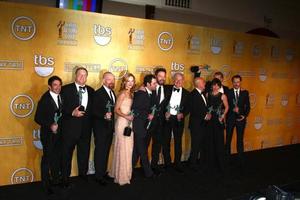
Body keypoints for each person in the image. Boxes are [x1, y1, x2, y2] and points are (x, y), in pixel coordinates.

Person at [61, 67, 94, 186]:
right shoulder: (65, 89)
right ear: (75, 75)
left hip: (85, 129)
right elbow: (60, 108)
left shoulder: (91, 90)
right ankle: (64, 178)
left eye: (85, 75)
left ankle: (83, 174)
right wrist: (71, 113)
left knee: (84, 153)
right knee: (66, 154)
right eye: (80, 75)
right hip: (69, 129)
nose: (82, 77)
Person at [34, 76, 63, 195]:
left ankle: (55, 179)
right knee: (47, 159)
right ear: (49, 86)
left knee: (56, 157)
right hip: (47, 134)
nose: (58, 87)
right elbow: (37, 118)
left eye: (59, 85)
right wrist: (50, 125)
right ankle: (45, 184)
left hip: (58, 134)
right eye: (55, 85)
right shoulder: (44, 99)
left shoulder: (61, 96)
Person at [109, 73, 136, 185]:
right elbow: (116, 110)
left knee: (128, 149)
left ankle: (122, 173)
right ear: (124, 82)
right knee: (123, 149)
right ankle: (121, 176)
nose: (130, 83)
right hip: (122, 123)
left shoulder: (132, 94)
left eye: (132, 81)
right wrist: (126, 116)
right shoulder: (123, 93)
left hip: (129, 124)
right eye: (128, 81)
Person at [93, 72, 116, 186]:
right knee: (100, 151)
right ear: (103, 80)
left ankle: (102, 173)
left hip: (110, 128)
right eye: (108, 79)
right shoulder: (98, 93)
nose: (111, 81)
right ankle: (98, 176)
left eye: (113, 79)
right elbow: (93, 111)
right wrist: (103, 115)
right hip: (101, 129)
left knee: (106, 151)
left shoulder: (113, 93)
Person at [132, 74, 157, 178]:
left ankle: (128, 170)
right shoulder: (141, 93)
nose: (156, 85)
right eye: (154, 83)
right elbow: (134, 110)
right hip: (139, 126)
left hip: (145, 127)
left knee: (137, 151)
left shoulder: (151, 93)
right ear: (148, 84)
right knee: (143, 151)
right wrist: (147, 115)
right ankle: (149, 173)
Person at [163, 73, 189, 173]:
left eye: (180, 80)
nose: (178, 82)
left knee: (178, 142)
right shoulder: (166, 88)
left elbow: (188, 108)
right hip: (167, 119)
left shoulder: (187, 93)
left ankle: (178, 164)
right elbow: (160, 102)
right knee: (166, 142)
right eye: (176, 80)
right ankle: (167, 164)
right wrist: (164, 112)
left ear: (183, 80)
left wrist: (182, 114)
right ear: (173, 80)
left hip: (178, 120)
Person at [147, 67, 170, 173]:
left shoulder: (168, 89)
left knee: (157, 145)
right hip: (149, 122)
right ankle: (144, 166)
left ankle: (154, 165)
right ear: (155, 76)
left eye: (164, 76)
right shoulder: (148, 87)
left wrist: (167, 112)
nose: (162, 78)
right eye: (160, 76)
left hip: (161, 123)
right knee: (145, 145)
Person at [225, 75, 250, 168]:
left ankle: (241, 159)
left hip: (240, 120)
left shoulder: (245, 93)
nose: (236, 83)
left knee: (240, 140)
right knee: (228, 140)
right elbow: (225, 106)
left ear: (240, 82)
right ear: (232, 82)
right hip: (230, 119)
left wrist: (244, 115)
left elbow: (248, 106)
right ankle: (226, 159)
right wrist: (232, 109)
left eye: (238, 82)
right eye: (234, 82)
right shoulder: (228, 92)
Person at [187, 77, 210, 172]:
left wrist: (207, 114)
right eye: (203, 82)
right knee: (195, 145)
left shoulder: (202, 93)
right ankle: (192, 163)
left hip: (202, 124)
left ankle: (198, 161)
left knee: (200, 144)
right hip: (196, 125)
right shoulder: (192, 94)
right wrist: (204, 116)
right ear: (199, 84)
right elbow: (193, 109)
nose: (205, 84)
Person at [206, 78, 229, 173]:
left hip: (218, 120)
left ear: (219, 86)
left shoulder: (223, 96)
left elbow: (227, 107)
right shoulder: (208, 94)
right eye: (213, 85)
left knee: (219, 143)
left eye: (217, 85)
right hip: (210, 120)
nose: (215, 87)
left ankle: (221, 164)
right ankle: (211, 164)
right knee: (210, 142)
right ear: (211, 86)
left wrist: (223, 115)